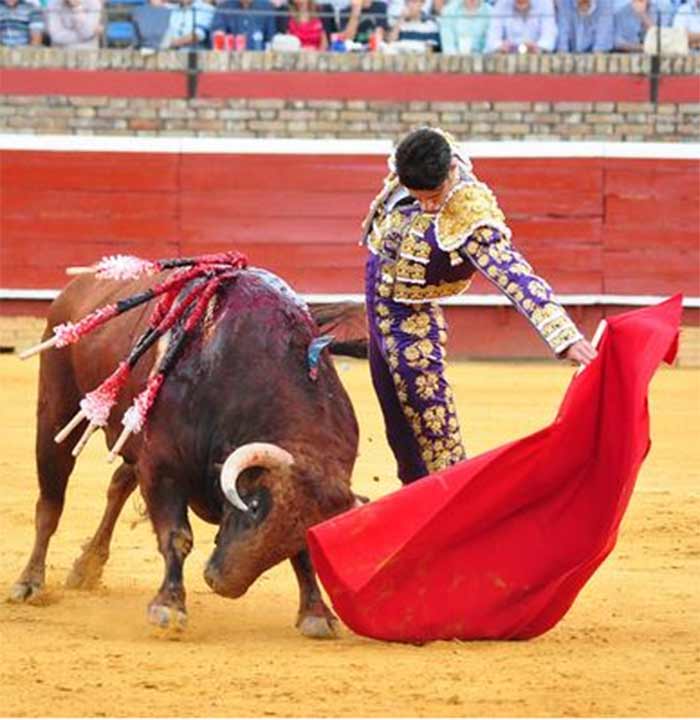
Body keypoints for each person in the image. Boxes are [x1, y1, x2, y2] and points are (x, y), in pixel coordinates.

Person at [361, 127, 597, 483]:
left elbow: (515, 275)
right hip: (375, 302)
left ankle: (453, 509)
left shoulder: (470, 212)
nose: (427, 204)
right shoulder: (415, 161)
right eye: (417, 196)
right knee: (398, 429)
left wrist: (563, 336)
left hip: (412, 322)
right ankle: (412, 509)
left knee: (435, 429)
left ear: (452, 170)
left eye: (434, 195)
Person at [485, 0, 557, 52]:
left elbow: (549, 39)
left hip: (538, 59)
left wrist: (537, 46)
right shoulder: (501, 3)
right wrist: (501, 46)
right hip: (508, 58)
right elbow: (492, 40)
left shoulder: (545, 3)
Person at [210, 0, 276, 49]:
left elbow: (270, 38)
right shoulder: (224, 7)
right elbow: (217, 33)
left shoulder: (267, 7)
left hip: (259, 59)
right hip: (230, 59)